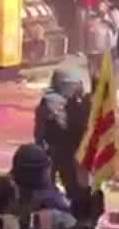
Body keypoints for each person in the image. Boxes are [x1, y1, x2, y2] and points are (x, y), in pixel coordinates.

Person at [33, 68, 89, 198]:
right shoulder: (51, 102)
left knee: (72, 186)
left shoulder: (75, 102)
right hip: (56, 151)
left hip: (69, 151)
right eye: (73, 85)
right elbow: (60, 125)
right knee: (52, 186)